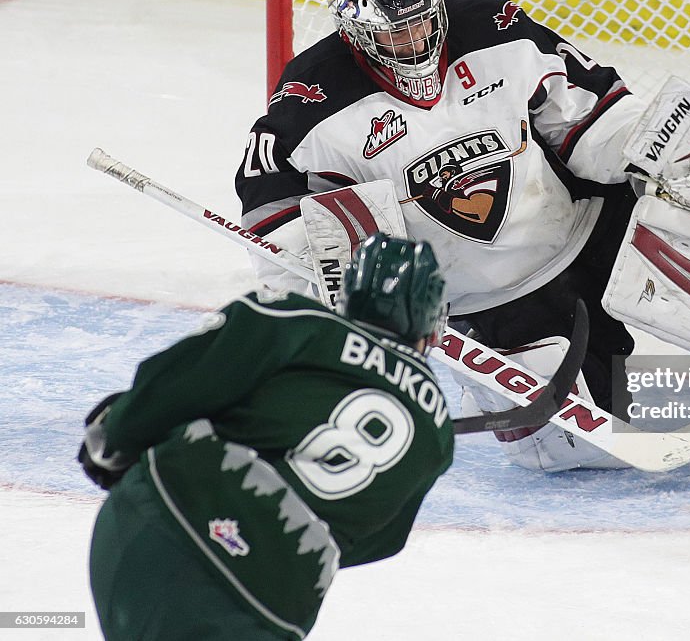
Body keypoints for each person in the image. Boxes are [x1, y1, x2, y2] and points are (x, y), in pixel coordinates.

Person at [235, 0, 651, 470]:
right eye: (396, 32)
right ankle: (509, 376)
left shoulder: (493, 25)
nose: (414, 41)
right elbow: (276, 221)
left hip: (584, 232)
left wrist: (656, 148)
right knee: (571, 447)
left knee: (685, 204)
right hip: (484, 301)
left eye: (421, 23)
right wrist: (328, 282)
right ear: (357, 34)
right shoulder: (310, 99)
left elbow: (589, 117)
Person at [80, 234, 452, 640]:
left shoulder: (294, 320)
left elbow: (180, 385)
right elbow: (380, 541)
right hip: (269, 602)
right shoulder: (438, 435)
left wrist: (113, 438)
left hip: (167, 520)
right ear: (430, 321)